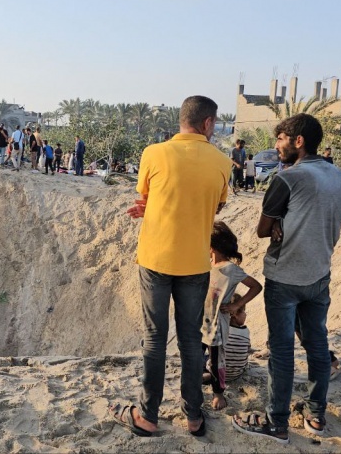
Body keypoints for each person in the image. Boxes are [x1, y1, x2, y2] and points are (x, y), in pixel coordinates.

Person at [114, 95, 230, 439]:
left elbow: (150, 196)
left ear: (182, 120)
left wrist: (149, 210)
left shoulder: (153, 153)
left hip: (155, 259)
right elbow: (214, 209)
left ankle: (148, 416)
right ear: (207, 123)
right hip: (195, 262)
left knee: (154, 339)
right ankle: (194, 417)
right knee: (192, 342)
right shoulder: (223, 162)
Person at [232, 113, 341, 444]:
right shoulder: (339, 176)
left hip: (286, 276)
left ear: (298, 141)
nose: (276, 146)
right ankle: (315, 417)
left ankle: (277, 423)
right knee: (317, 343)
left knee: (282, 350)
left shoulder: (288, 179)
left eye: (281, 139)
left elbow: (261, 230)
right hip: (319, 273)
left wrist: (282, 221)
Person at [202, 222, 263, 411]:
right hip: (200, 321)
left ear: (211, 245)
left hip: (218, 325)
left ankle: (218, 394)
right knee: (195, 355)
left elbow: (256, 286)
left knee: (216, 360)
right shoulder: (207, 263)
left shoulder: (231, 269)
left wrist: (236, 305)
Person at [224, 296, 251, 383]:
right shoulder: (246, 331)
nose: (245, 314)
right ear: (234, 314)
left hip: (216, 373)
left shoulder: (220, 330)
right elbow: (247, 349)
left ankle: (206, 375)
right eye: (243, 311)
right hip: (236, 375)